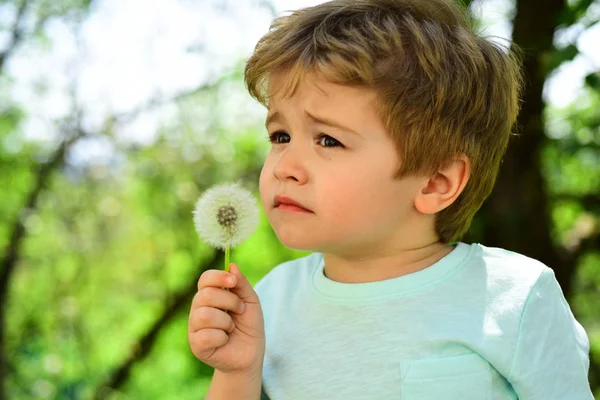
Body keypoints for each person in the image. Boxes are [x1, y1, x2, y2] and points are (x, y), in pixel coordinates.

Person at [187, 0, 594, 398]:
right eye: (280, 136)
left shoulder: (515, 298)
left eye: (328, 139)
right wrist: (237, 371)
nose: (284, 166)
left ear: (435, 182)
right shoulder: (270, 300)